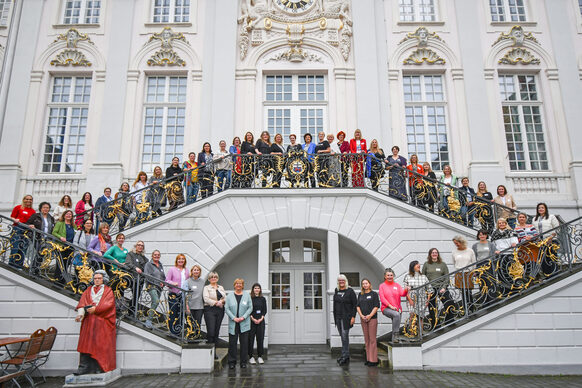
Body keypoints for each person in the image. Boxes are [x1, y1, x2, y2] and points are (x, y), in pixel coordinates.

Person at [74, 270, 116, 375]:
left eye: (99, 278)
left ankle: (99, 367)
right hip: (89, 322)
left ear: (103, 279)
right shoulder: (88, 290)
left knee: (100, 344)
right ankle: (84, 367)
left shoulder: (108, 291)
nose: (97, 280)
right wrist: (80, 314)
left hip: (101, 322)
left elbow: (109, 304)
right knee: (85, 344)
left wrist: (96, 309)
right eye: (95, 278)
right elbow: (82, 302)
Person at [422, 248, 454, 327]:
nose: (434, 254)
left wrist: (444, 287)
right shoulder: (426, 264)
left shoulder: (442, 264)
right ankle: (436, 324)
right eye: (432, 253)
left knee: (449, 302)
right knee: (432, 307)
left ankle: (449, 320)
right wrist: (427, 288)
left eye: (436, 252)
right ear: (430, 254)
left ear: (438, 254)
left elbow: (447, 277)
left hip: (441, 288)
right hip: (431, 289)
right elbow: (423, 277)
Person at [225, 278, 252, 369]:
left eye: (240, 284)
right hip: (233, 323)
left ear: (243, 285)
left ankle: (243, 362)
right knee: (232, 343)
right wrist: (234, 318)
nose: (238, 285)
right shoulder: (229, 296)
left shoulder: (247, 295)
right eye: (237, 283)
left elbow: (250, 308)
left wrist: (243, 317)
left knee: (244, 343)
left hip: (244, 323)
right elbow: (227, 308)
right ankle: (232, 362)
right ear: (234, 285)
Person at [379, 268, 408, 343]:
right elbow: (382, 299)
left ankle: (394, 341)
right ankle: (396, 335)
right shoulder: (382, 286)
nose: (389, 277)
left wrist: (406, 290)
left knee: (396, 324)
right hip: (386, 308)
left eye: (391, 275)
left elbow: (402, 294)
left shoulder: (397, 285)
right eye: (388, 275)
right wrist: (391, 306)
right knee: (396, 315)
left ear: (393, 276)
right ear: (385, 276)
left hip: (397, 309)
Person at [333, 274, 357, 365]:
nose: (341, 282)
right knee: (342, 337)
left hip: (346, 317)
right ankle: (344, 355)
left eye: (342, 280)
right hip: (338, 317)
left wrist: (353, 317)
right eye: (339, 280)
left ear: (345, 281)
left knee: (344, 336)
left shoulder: (350, 291)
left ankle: (345, 356)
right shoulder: (337, 290)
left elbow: (355, 305)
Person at [403, 260, 432, 334]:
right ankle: (411, 333)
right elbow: (405, 290)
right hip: (411, 299)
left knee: (420, 317)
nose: (419, 265)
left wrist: (427, 301)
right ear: (413, 267)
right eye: (416, 265)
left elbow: (429, 289)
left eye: (419, 264)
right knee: (412, 315)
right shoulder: (407, 277)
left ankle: (420, 334)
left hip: (422, 300)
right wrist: (409, 300)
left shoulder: (424, 277)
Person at [357, 278, 380, 366]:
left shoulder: (374, 294)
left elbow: (376, 306)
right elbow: (357, 306)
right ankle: (368, 359)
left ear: (369, 284)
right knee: (366, 339)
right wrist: (361, 315)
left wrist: (370, 315)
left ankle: (373, 360)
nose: (365, 285)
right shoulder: (360, 294)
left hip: (372, 318)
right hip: (363, 319)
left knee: (372, 339)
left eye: (366, 283)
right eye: (363, 284)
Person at [471, 229, 498, 305]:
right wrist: (474, 270)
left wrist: (497, 252)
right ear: (478, 236)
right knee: (482, 283)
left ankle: (492, 300)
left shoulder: (491, 244)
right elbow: (474, 258)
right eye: (480, 235)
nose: (482, 236)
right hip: (480, 265)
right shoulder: (475, 245)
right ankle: (484, 301)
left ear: (486, 235)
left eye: (483, 234)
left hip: (489, 264)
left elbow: (495, 252)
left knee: (491, 282)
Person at [165, 254, 189, 336]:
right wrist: (173, 283)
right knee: (173, 313)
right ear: (176, 260)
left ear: (184, 261)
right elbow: (166, 281)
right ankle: (172, 331)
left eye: (182, 259)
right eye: (179, 259)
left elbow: (188, 282)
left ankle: (178, 331)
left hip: (182, 295)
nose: (181, 260)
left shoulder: (186, 270)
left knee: (181, 313)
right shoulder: (172, 269)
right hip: (173, 294)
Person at [452, 235, 477, 310]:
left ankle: (471, 308)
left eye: (457, 243)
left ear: (461, 242)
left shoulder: (470, 251)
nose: (456, 245)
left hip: (468, 273)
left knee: (469, 292)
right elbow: (454, 263)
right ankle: (466, 309)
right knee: (463, 292)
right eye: (455, 243)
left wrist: (473, 271)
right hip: (459, 273)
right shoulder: (454, 251)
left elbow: (474, 262)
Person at [52, 210, 78, 283]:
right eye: (67, 214)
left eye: (70, 214)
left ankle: (63, 278)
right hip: (61, 246)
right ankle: (57, 278)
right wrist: (60, 237)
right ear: (64, 215)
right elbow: (54, 232)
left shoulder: (74, 226)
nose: (69, 215)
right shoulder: (60, 223)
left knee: (67, 263)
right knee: (60, 262)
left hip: (70, 247)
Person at [143, 250, 165, 329]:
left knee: (155, 302)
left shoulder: (160, 265)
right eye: (155, 255)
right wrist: (156, 282)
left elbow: (163, 277)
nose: (156, 256)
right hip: (151, 286)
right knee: (156, 301)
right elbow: (147, 275)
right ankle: (149, 320)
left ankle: (149, 319)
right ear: (152, 256)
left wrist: (163, 283)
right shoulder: (148, 264)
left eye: (158, 255)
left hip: (159, 288)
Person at [203, 271, 226, 344]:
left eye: (215, 277)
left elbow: (225, 297)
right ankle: (209, 348)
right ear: (209, 279)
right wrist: (216, 303)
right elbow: (206, 298)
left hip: (220, 310)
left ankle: (214, 351)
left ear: (217, 278)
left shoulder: (221, 287)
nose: (213, 278)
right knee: (211, 331)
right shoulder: (206, 288)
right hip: (209, 310)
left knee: (216, 331)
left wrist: (221, 302)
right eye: (212, 277)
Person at [248, 283, 267, 365]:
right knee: (250, 339)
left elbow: (264, 310)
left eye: (258, 288)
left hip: (260, 321)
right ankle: (251, 357)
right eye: (255, 288)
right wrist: (253, 319)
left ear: (260, 290)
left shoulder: (263, 299)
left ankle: (260, 356)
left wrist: (260, 319)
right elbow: (248, 310)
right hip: (251, 321)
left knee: (260, 339)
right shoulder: (250, 298)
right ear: (253, 289)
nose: (257, 289)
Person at [186, 264, 205, 335]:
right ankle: (190, 339)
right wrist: (186, 306)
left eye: (198, 270)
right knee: (190, 324)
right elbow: (184, 295)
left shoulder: (203, 282)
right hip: (190, 306)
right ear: (192, 271)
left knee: (198, 324)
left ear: (200, 272)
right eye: (195, 270)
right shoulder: (187, 281)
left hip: (200, 307)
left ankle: (196, 338)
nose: (196, 271)